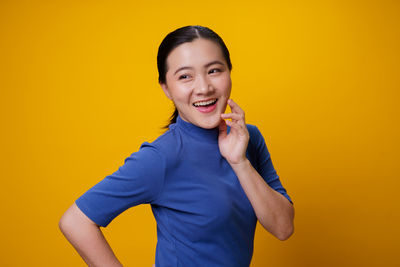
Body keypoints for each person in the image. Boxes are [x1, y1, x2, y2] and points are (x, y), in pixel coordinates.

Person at [59, 25, 295, 267]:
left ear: (229, 73)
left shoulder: (249, 138)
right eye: (185, 76)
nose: (204, 88)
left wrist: (240, 163)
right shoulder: (162, 157)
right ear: (166, 88)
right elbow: (76, 221)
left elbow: (283, 227)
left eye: (214, 70)